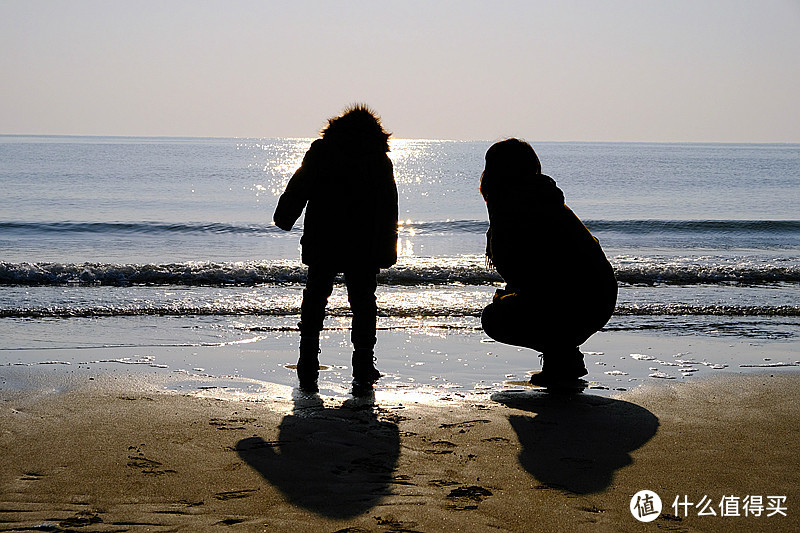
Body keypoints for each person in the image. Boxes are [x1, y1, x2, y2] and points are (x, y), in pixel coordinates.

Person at [273, 105, 398, 393]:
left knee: (315, 299)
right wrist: (387, 247)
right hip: (363, 244)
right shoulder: (378, 158)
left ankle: (307, 361)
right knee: (363, 303)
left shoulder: (322, 151)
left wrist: (284, 217)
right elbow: (389, 207)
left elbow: (299, 186)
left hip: (324, 239)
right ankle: (363, 364)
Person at [479, 139, 617, 386]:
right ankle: (563, 356)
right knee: (515, 303)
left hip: (578, 300)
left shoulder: (516, 207)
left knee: (495, 317)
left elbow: (533, 275)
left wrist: (510, 295)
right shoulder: (540, 197)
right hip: (598, 297)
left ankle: (562, 357)